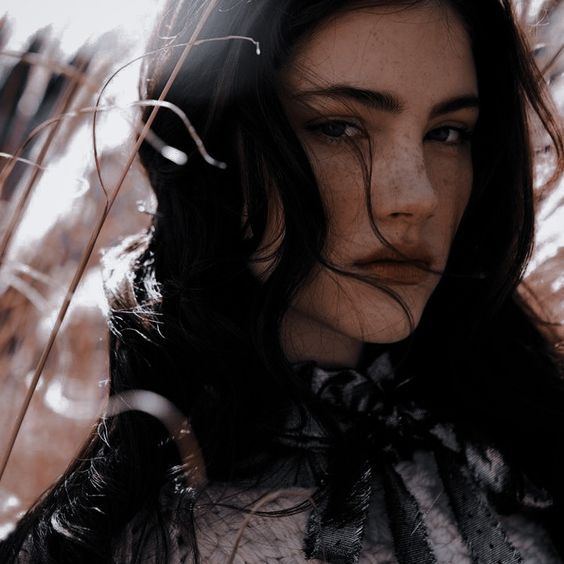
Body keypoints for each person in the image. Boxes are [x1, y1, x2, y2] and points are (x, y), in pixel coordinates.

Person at [1, 0, 564, 562]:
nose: (417, 197)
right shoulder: (154, 535)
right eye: (339, 128)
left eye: (447, 133)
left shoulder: (513, 444)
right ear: (215, 143)